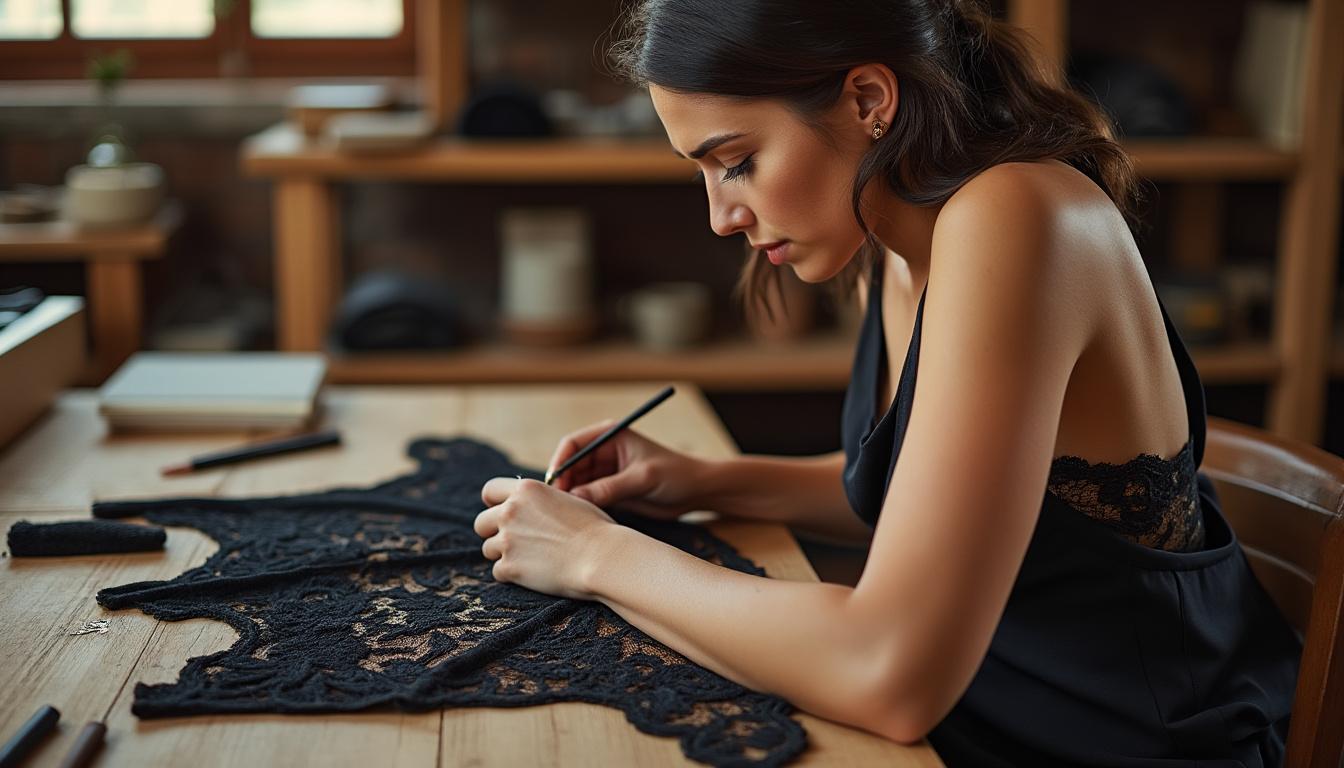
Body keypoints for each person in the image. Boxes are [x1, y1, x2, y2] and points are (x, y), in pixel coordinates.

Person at [472, 1, 1302, 763]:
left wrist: (592, 555)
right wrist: (705, 480)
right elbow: (950, 504)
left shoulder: (1020, 217)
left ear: (869, 98)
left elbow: (890, 671)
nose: (721, 216)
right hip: (976, 717)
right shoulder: (900, 246)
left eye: (737, 161)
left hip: (1106, 744)